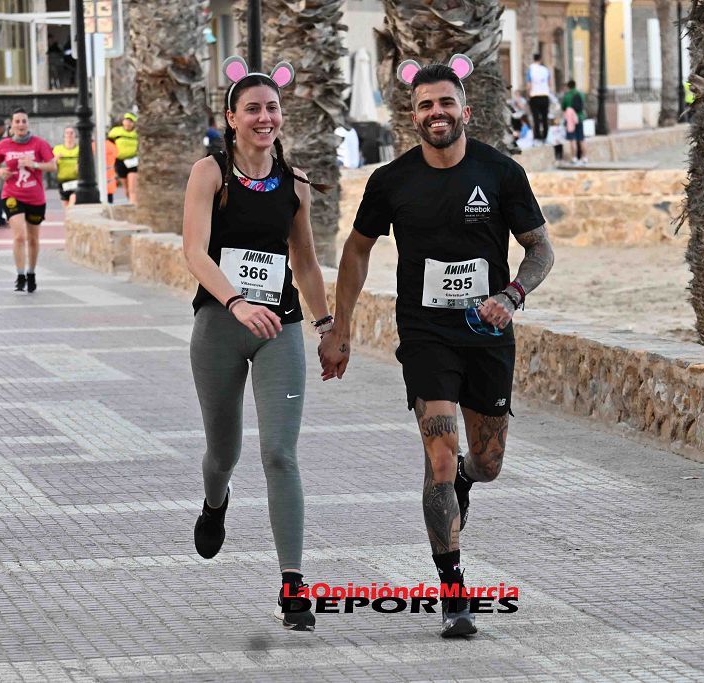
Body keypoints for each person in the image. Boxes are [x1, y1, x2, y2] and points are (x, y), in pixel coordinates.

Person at [318, 55, 555, 638]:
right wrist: (340, 327)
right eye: (425, 105)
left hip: (487, 334)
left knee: (488, 462)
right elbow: (355, 250)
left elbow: (541, 249)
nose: (436, 112)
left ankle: (469, 481)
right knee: (439, 454)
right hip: (425, 335)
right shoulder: (391, 181)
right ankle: (453, 590)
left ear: (465, 111)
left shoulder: (500, 173)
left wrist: (513, 294)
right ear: (413, 116)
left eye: (446, 102)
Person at [181, 55, 331, 632]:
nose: (263, 117)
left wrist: (327, 327)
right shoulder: (209, 173)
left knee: (280, 454)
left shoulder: (294, 184)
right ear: (231, 117)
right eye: (252, 109)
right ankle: (214, 502)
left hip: (280, 329)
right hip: (221, 324)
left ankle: (293, 584)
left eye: (271, 108)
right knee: (225, 453)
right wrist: (237, 301)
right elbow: (194, 251)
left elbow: (307, 261)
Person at [0, 109, 56, 292]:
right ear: (11, 125)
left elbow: (52, 165)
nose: (20, 125)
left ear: (28, 124)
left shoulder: (39, 144)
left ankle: (31, 273)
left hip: (35, 197)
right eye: (17, 121)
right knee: (20, 236)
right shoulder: (4, 145)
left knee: (33, 239)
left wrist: (33, 164)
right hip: (12, 194)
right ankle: (20, 275)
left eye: (23, 121)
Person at [107, 112, 139, 203]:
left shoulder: (136, 134)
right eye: (127, 120)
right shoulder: (116, 132)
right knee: (126, 188)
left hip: (133, 161)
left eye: (131, 121)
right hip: (120, 161)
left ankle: (133, 205)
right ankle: (130, 201)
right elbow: (109, 143)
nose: (128, 123)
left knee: (132, 187)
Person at [526, 53, 552, 144]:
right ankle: (545, 136)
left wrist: (528, 94)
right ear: (540, 59)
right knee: (545, 118)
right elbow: (549, 83)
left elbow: (529, 84)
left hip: (535, 96)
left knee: (536, 118)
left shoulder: (531, 69)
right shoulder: (545, 70)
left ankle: (537, 137)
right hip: (545, 95)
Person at [560, 79, 587, 164]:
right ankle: (584, 157)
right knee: (581, 139)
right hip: (579, 118)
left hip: (571, 120)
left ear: (568, 86)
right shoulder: (581, 94)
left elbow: (563, 107)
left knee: (573, 140)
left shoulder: (567, 96)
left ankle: (574, 157)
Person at [52, 126, 80, 208]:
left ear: (75, 135)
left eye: (71, 133)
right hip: (63, 181)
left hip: (76, 180)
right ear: (64, 136)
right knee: (66, 207)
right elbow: (50, 163)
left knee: (73, 200)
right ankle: (70, 220)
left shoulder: (79, 149)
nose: (69, 135)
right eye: (67, 133)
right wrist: (56, 159)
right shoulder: (58, 149)